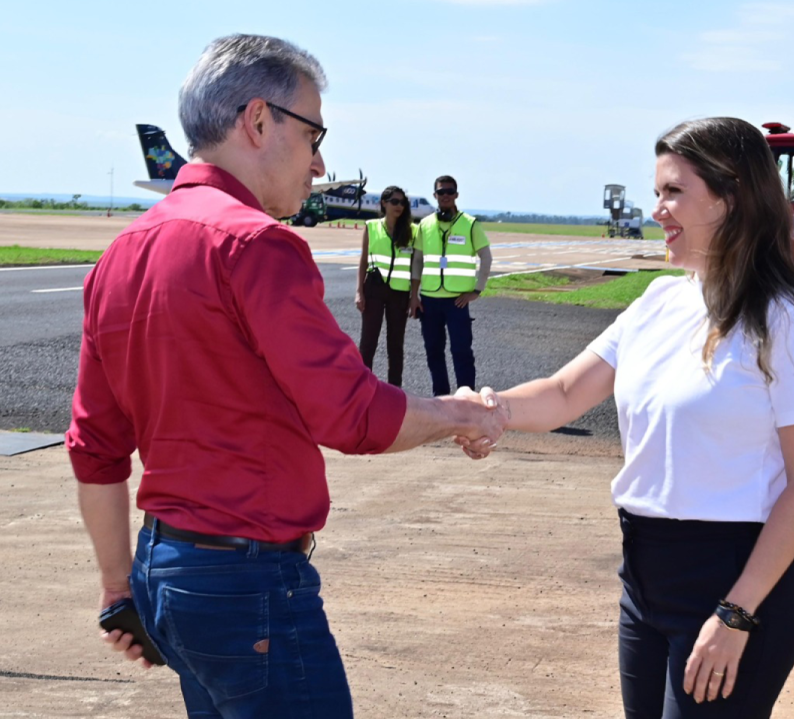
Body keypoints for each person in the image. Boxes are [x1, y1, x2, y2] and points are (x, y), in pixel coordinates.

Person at [66, 35, 503, 719]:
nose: (320, 160)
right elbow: (350, 414)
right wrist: (460, 414)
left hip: (168, 571)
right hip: (248, 583)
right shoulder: (257, 245)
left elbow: (95, 446)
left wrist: (118, 587)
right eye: (314, 134)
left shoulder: (120, 253)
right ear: (259, 121)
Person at [460, 117, 794, 718]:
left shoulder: (788, 319)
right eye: (658, 191)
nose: (657, 209)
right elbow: (565, 392)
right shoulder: (660, 302)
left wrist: (736, 613)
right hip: (645, 580)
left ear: (731, 198)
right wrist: (490, 411)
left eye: (674, 192)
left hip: (737, 581)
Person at [409, 176, 493, 396]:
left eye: (449, 191)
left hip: (457, 300)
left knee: (461, 350)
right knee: (433, 351)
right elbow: (417, 260)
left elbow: (486, 257)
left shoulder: (470, 224)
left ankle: (466, 396)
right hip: (429, 299)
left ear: (456, 195)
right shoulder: (425, 225)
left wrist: (477, 290)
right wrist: (414, 296)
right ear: (435, 196)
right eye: (441, 192)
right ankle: (441, 397)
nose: (445, 195)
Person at [356, 185, 415, 386]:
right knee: (368, 342)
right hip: (374, 288)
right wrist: (359, 291)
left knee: (396, 345)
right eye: (394, 202)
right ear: (384, 203)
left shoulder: (413, 231)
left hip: (400, 292)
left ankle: (395, 389)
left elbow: (416, 265)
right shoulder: (371, 226)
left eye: (402, 202)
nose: (399, 206)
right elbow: (363, 260)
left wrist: (414, 296)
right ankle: (363, 387)